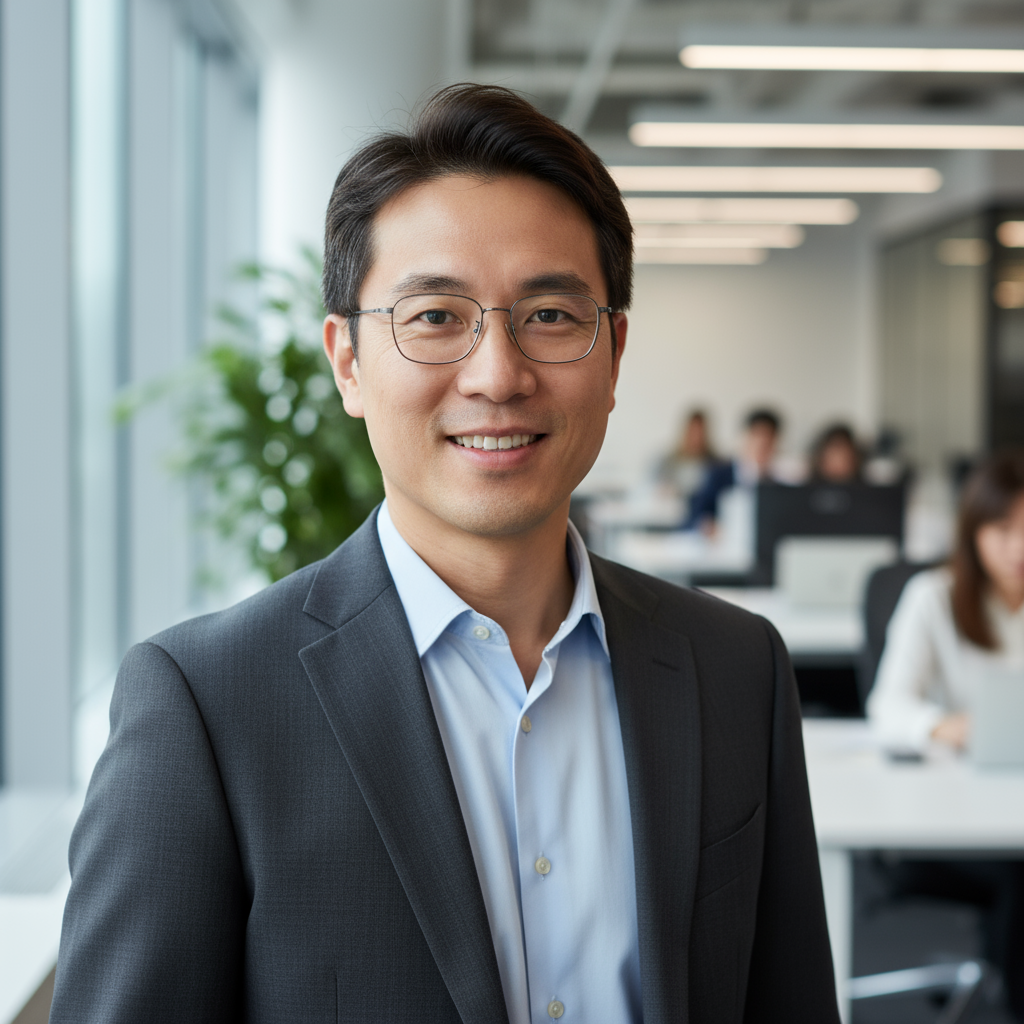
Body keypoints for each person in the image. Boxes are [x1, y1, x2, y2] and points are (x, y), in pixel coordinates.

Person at [50, 85, 838, 1023]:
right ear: (347, 360)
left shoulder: (734, 668)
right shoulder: (208, 705)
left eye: (550, 316)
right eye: (434, 318)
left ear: (615, 351)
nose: (498, 375)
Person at [867, 450, 1024, 1020]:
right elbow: (887, 708)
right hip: (954, 813)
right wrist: (942, 726)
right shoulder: (934, 597)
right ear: (974, 531)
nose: (1019, 548)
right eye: (1004, 529)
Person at [683, 406, 783, 530]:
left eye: (767, 443)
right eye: (757, 438)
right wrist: (706, 525)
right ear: (745, 437)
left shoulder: (778, 481)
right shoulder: (718, 474)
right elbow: (696, 514)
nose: (761, 448)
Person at [654, 407, 716, 498]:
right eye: (693, 432)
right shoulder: (668, 462)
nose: (696, 438)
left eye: (700, 432)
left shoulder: (715, 464)